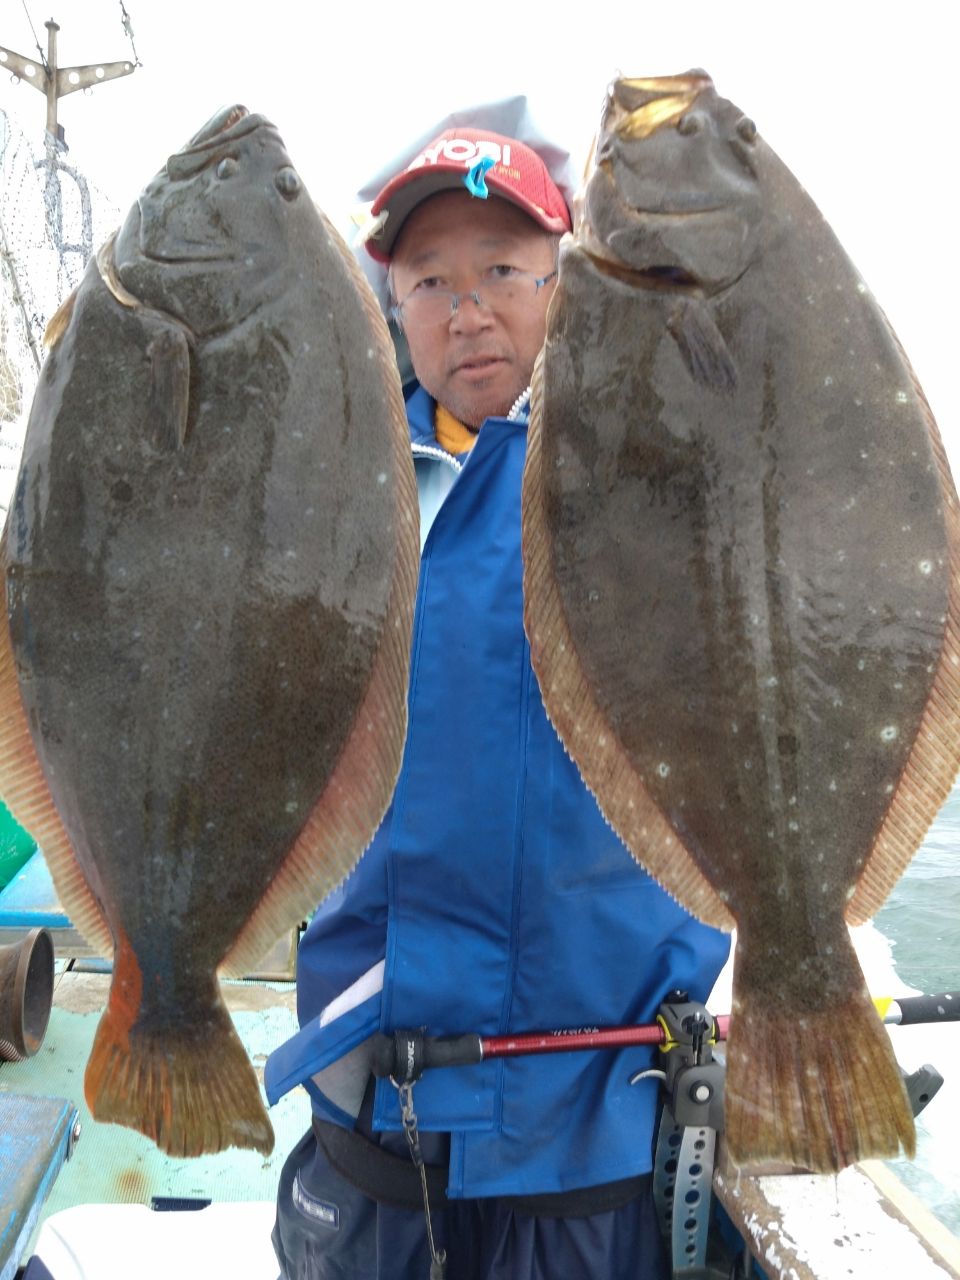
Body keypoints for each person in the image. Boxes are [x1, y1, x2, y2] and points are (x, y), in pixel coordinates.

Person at [268, 102, 730, 1280]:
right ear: (393, 307)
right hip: (379, 1089)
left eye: (504, 269)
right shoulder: (338, 486)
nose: (466, 307)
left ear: (566, 280)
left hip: (600, 1104)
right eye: (428, 280)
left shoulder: (650, 463)